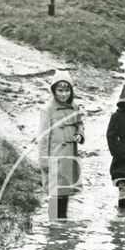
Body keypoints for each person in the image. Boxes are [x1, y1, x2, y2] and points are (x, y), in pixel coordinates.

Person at [38, 70, 85, 220]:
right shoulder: (47, 109)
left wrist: (80, 133)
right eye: (60, 90)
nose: (63, 94)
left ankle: (62, 230)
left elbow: (79, 124)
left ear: (71, 90)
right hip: (54, 158)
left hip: (69, 157)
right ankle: (53, 229)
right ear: (53, 90)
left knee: (65, 194)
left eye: (67, 90)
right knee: (54, 195)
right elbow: (43, 137)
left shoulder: (75, 107)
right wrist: (44, 160)